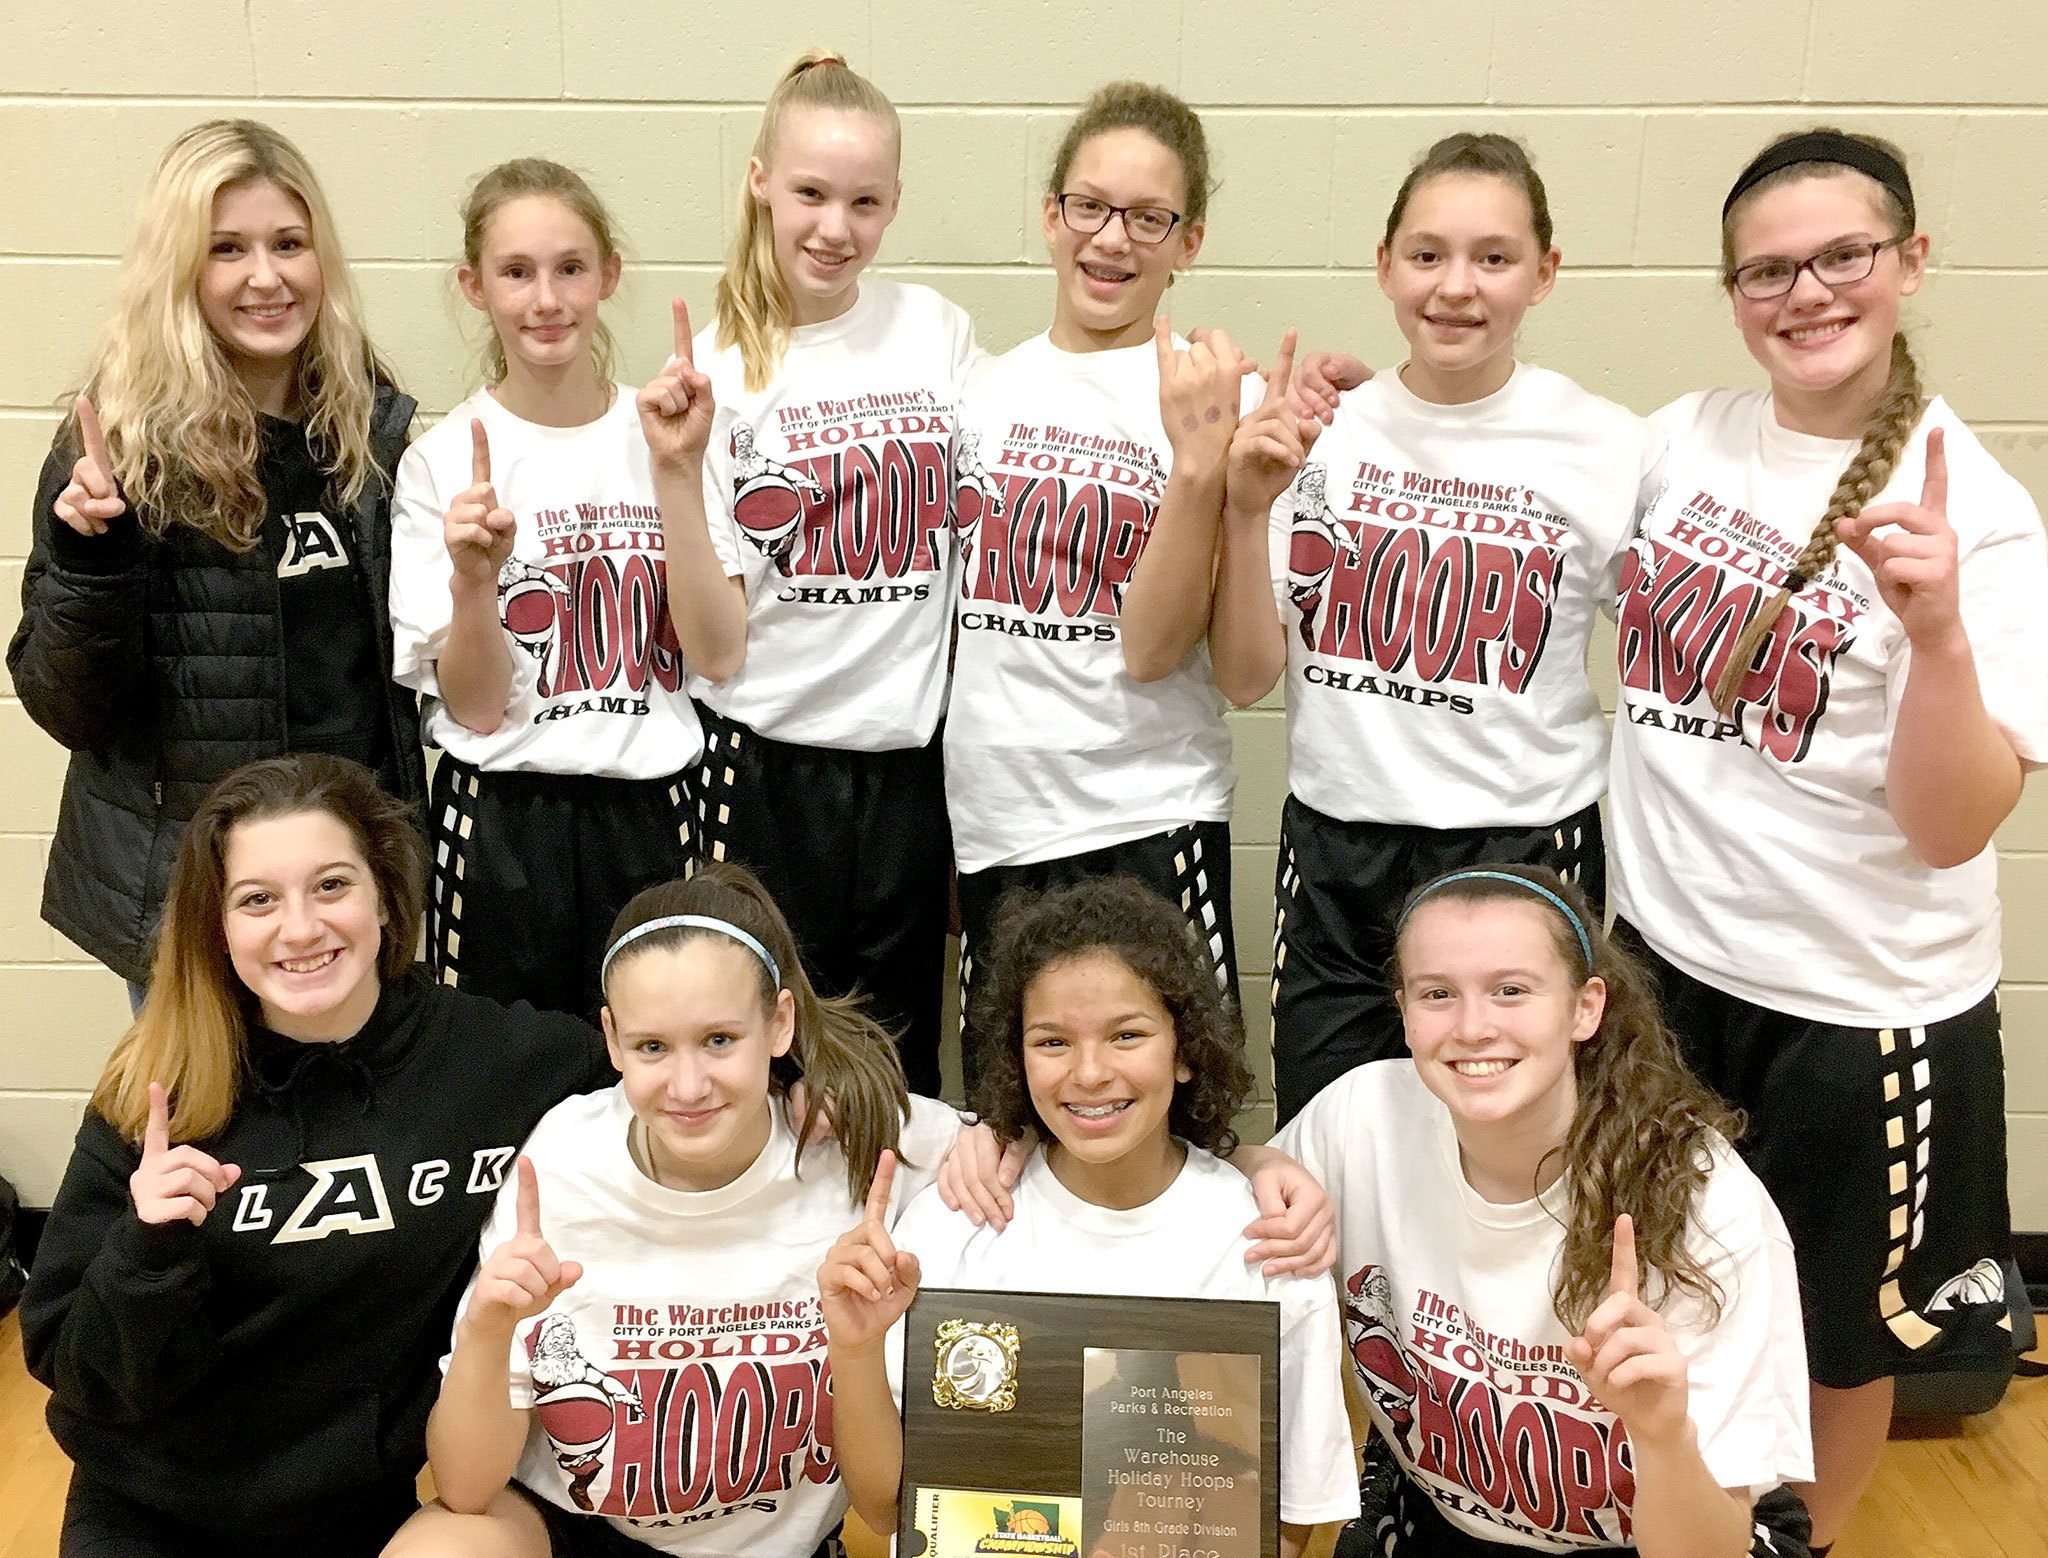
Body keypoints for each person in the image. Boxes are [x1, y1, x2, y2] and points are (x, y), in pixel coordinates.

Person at [1605, 129, 2048, 1558]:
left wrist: (1933, 635)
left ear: (1913, 261)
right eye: (1768, 268)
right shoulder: (1687, 437)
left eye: (1842, 256)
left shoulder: (1980, 517)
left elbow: (1953, 820)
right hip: (1666, 967)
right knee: (1655, 1279)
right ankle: (1642, 1537)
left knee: (1839, 1335)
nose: (1807, 292)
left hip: (1855, 1010)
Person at [18, 755, 612, 1558]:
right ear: (218, 926)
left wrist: (837, 1097)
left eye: (330, 885)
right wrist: (145, 1247)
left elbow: (678, 1059)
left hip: (340, 1517)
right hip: (152, 1509)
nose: (299, 928)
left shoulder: (494, 1064)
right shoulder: (159, 1085)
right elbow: (76, 1372)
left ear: (386, 897)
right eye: (258, 900)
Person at [353, 862, 969, 1558]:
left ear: (780, 1021)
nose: (688, 1085)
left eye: (720, 1039)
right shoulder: (563, 1162)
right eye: (653, 1047)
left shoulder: (865, 1135)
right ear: (611, 1040)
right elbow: (462, 1481)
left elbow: (1038, 1143)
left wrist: (1242, 1166)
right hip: (562, 1529)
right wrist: (490, 1330)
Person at [1270, 866, 1813, 1558]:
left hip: (1658, 1556)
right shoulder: (1360, 1121)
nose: (1473, 1025)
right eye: (1437, 993)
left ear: (1585, 1007)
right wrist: (1259, 1171)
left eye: (1512, 989)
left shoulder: (1707, 1204)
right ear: (1404, 1010)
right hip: (1461, 1547)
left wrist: (1662, 1430)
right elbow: (1218, 1198)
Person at [822, 876, 1358, 1558]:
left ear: (1185, 1048)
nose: (1091, 1071)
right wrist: (853, 1350)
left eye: (1128, 1034)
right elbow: (888, 1506)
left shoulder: (1262, 1239)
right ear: (1015, 1054)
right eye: (1052, 1040)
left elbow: (1292, 1511)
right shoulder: (959, 1223)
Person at [1212, 133, 1661, 1123]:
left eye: (1492, 258)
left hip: (1519, 843)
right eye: (1425, 255)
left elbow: (1670, 669)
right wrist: (1248, 509)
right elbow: (1244, 676)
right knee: (1327, 1138)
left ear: (1543, 274)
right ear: (1382, 266)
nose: (1455, 287)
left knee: (1515, 1147)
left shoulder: (1607, 448)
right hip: (1340, 850)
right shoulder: (1318, 430)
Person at [9, 120, 424, 998]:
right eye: (226, 249)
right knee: (212, 1133)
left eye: (288, 244)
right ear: (181, 271)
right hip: (191, 905)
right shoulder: (118, 447)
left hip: (350, 893)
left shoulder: (368, 428)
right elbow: (69, 707)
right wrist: (93, 559)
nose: (265, 277)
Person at [637, 50, 975, 1093]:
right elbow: (719, 645)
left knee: (903, 1062)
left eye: (864, 201)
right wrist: (675, 471)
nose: (836, 227)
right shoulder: (721, 374)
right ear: (759, 182)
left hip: (912, 771)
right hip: (766, 772)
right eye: (811, 194)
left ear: (895, 204)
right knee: (767, 1061)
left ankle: (882, 1253)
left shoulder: (936, 332)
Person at [945, 82, 1264, 1048]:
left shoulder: (1222, 397)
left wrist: (1201, 464)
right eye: (1090, 206)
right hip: (996, 827)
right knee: (1015, 1135)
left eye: (1148, 218)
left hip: (1145, 819)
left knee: (1170, 1130)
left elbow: (1161, 652)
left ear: (1189, 241)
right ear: (1051, 217)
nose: (1112, 239)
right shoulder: (980, 392)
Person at [389, 158, 700, 1020]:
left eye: (569, 268)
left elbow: (720, 651)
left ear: (608, 275)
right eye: (516, 273)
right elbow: (478, 709)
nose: (546, 298)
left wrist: (679, 476)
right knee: (500, 1082)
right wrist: (473, 583)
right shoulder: (442, 461)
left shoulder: (668, 436)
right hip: (501, 821)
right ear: (475, 287)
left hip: (651, 811)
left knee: (653, 1063)